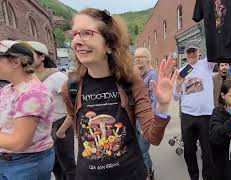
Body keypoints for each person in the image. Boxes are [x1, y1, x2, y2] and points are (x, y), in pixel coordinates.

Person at [60, 8, 178, 180]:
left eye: (86, 33)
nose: (76, 41)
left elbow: (153, 137)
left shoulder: (132, 82)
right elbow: (80, 132)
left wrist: (163, 105)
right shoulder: (70, 88)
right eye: (75, 34)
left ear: (109, 44)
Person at [0, 40, 55, 179]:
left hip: (25, 164)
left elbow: (19, 142)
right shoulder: (8, 88)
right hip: (11, 161)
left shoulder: (32, 93)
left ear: (15, 62)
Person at [28, 41, 76, 180]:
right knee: (54, 166)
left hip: (60, 125)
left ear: (42, 57)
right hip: (43, 127)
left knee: (68, 166)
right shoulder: (30, 79)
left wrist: (62, 129)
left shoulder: (57, 77)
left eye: (30, 55)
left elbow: (73, 105)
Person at [173, 40, 214, 180]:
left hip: (206, 116)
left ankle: (207, 177)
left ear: (199, 52)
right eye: (188, 51)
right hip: (188, 116)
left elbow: (215, 47)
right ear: (185, 54)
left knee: (208, 152)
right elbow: (176, 97)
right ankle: (194, 177)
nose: (191, 54)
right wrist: (178, 84)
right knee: (189, 151)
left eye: (194, 51)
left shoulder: (207, 64)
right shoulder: (181, 71)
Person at [134, 47, 157, 180]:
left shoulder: (153, 75)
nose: (137, 59)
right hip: (134, 118)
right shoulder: (136, 75)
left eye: (141, 57)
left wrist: (148, 122)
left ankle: (148, 174)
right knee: (136, 150)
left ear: (147, 59)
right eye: (136, 57)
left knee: (142, 151)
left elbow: (154, 100)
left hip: (145, 119)